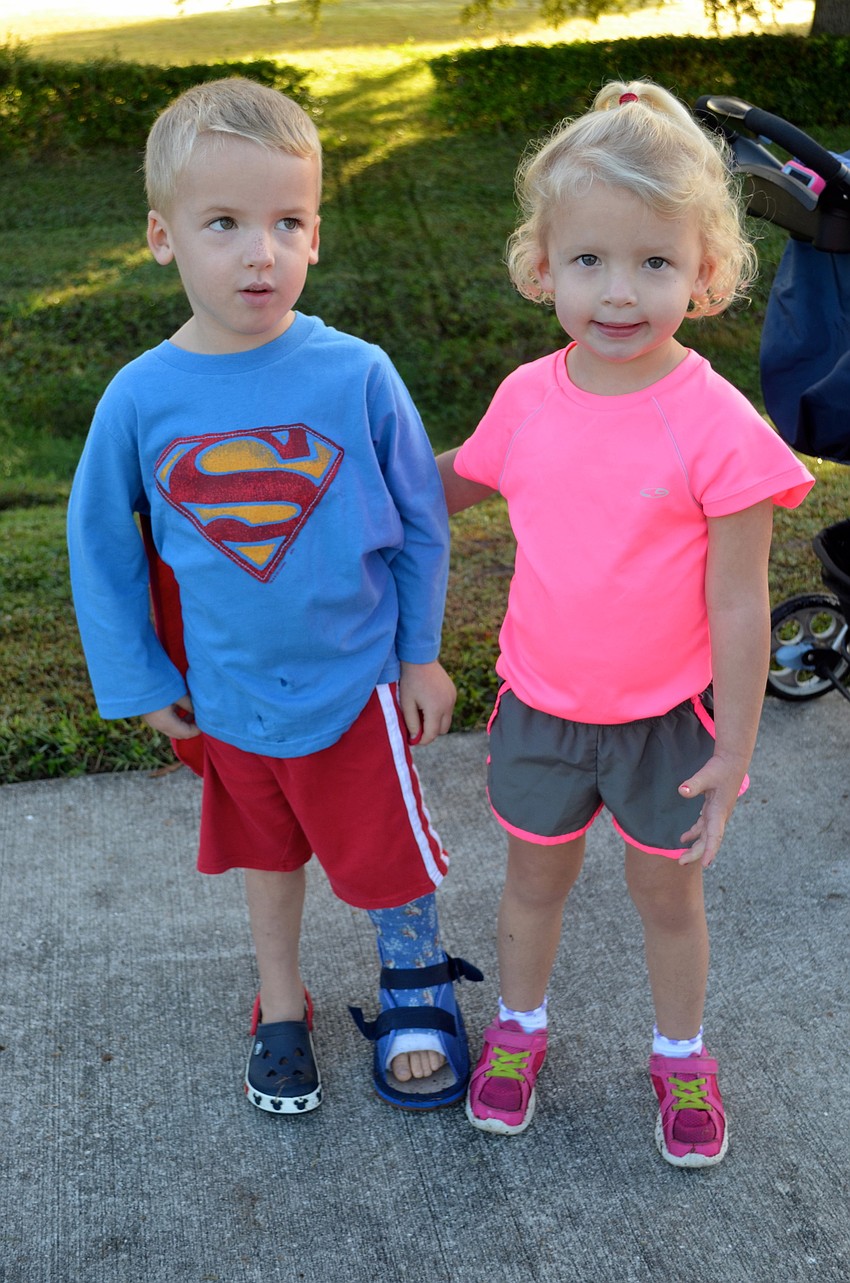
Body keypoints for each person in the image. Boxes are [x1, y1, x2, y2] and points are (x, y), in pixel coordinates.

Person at [67, 76, 482, 1117]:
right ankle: (282, 999)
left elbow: (422, 519)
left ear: (315, 235)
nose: (261, 250)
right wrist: (139, 676)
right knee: (266, 850)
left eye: (286, 221)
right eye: (225, 223)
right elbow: (98, 545)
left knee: (387, 853)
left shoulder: (356, 373)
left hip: (355, 680)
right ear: (162, 238)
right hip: (228, 687)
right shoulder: (142, 396)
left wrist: (420, 652)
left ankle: (414, 980)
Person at [437, 80, 814, 1164]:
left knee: (666, 894)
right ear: (541, 265)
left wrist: (734, 743)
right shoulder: (526, 397)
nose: (617, 291)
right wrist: (352, 483)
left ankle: (680, 1051)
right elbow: (457, 480)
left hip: (670, 721)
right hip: (543, 707)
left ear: (704, 273)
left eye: (654, 262)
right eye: (589, 259)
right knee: (532, 884)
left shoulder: (717, 427)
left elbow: (740, 601)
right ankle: (516, 1032)